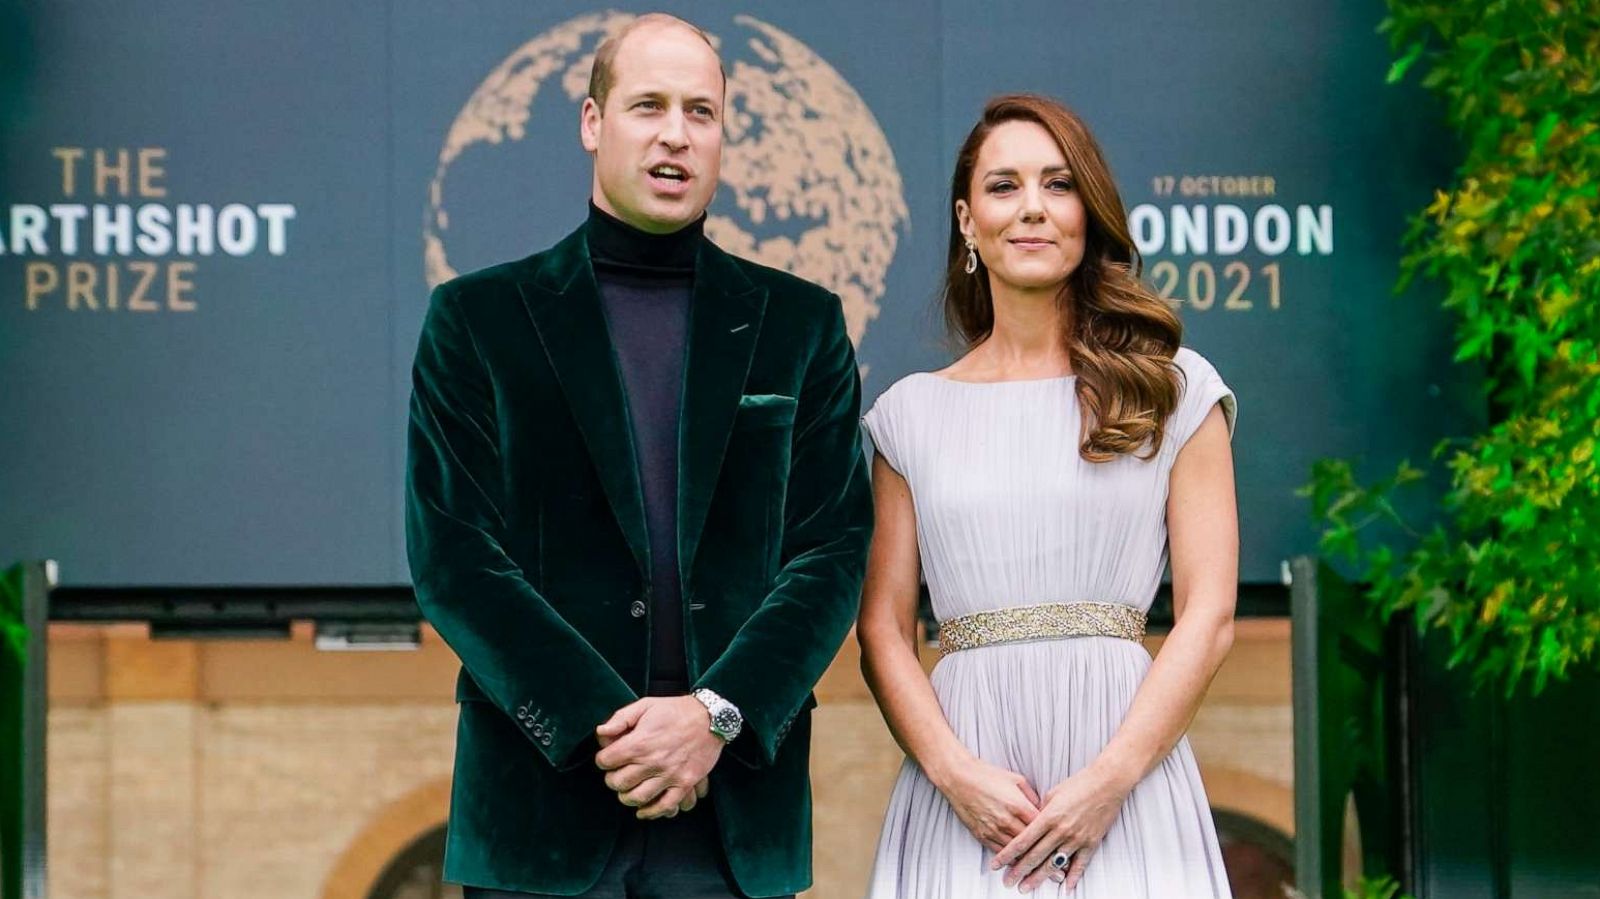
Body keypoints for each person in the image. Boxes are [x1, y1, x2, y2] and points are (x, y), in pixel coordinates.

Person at [404, 13, 873, 898]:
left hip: (734, 817)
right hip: (541, 818)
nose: (675, 133)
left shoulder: (802, 326)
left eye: (702, 112)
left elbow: (831, 551)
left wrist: (713, 716)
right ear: (593, 122)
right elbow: (454, 556)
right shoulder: (477, 320)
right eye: (648, 105)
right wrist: (612, 728)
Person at [858, 93, 1238, 897]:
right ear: (967, 220)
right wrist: (954, 773)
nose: (1031, 207)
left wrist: (1109, 782)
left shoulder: (1175, 390)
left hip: (1127, 788)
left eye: (1058, 184)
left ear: (1088, 211)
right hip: (965, 801)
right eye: (1004, 187)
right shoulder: (907, 415)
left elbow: (1209, 616)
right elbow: (885, 631)